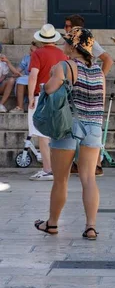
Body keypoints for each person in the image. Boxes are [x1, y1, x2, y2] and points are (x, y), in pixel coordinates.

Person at [33, 27, 105, 239]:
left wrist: (55, 72)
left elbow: (48, 89)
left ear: (74, 46)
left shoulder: (65, 66)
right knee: (89, 178)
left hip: (68, 126)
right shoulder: (98, 71)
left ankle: (52, 223)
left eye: (66, 42)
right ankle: (91, 226)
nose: (63, 45)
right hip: (93, 127)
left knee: (61, 179)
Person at [65, 14, 113, 177]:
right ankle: (81, 164)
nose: (65, 29)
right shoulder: (71, 45)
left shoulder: (87, 41)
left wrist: (97, 80)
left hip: (85, 97)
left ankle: (95, 164)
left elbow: (108, 60)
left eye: (67, 26)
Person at [28, 24, 69, 181]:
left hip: (43, 96)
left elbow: (33, 76)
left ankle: (47, 169)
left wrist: (31, 97)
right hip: (59, 97)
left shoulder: (38, 54)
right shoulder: (62, 54)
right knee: (56, 133)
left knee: (42, 134)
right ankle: (58, 168)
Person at [12, 42, 39, 113]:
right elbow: (17, 71)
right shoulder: (27, 58)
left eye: (32, 51)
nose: (29, 52)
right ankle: (20, 107)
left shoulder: (41, 57)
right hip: (27, 81)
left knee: (22, 79)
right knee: (20, 80)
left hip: (38, 80)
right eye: (30, 50)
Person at [0, 43, 18, 113]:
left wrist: (7, 62)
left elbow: (4, 76)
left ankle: (1, 104)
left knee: (11, 80)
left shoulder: (2, 61)